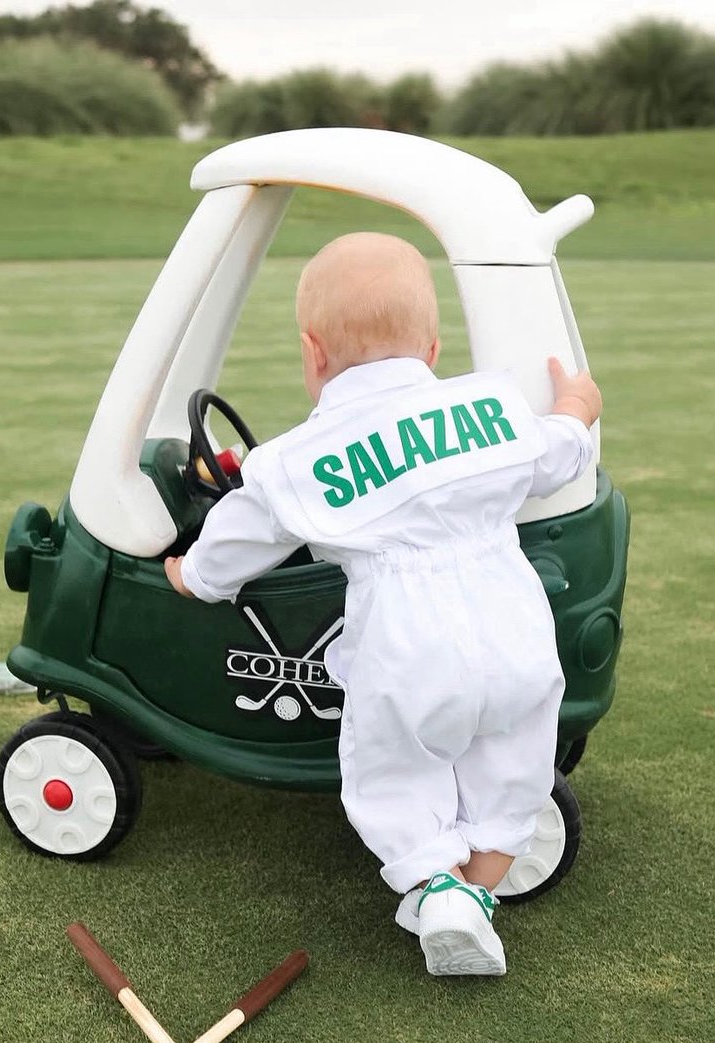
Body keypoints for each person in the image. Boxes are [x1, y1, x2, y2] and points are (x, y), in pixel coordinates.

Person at [165, 232, 602, 976]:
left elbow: (238, 539)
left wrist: (191, 575)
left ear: (313, 353)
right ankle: (477, 892)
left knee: (393, 768)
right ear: (432, 348)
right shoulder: (487, 408)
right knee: (511, 763)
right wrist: (574, 407)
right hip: (514, 628)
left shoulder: (295, 460)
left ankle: (438, 887)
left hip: (407, 646)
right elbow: (556, 454)